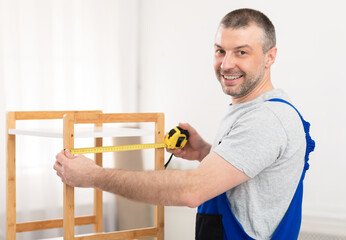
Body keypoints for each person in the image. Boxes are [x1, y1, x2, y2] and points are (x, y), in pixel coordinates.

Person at [54, 8, 315, 240]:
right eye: (220, 51)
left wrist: (94, 176)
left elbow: (192, 191)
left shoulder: (266, 119)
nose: (226, 64)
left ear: (270, 57)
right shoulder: (249, 110)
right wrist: (205, 152)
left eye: (241, 52)